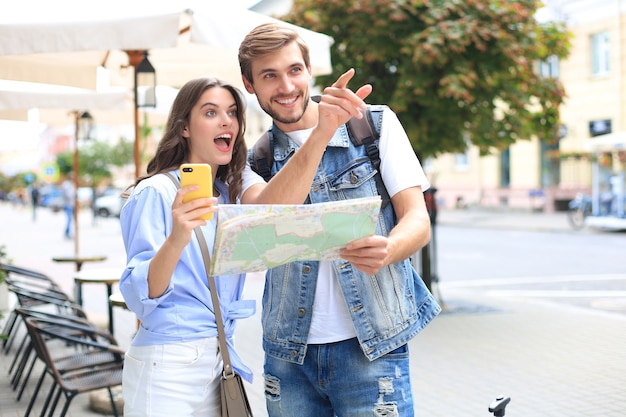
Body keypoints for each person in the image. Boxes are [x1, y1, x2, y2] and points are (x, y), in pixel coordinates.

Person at [238, 23, 441, 417]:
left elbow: (417, 219)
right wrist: (320, 133)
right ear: (249, 85)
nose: (286, 86)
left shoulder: (374, 124)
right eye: (269, 76)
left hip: (371, 349)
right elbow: (265, 225)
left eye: (294, 70)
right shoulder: (255, 161)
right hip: (288, 358)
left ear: (309, 69)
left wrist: (390, 248)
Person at [119, 77, 254, 417]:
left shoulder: (227, 196)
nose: (226, 121)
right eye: (211, 112)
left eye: (232, 113)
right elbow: (141, 295)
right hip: (167, 365)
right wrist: (178, 235)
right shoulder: (156, 193)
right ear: (184, 128)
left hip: (220, 359)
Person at [60, 173, 74, 239]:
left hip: (69, 204)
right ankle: (67, 233)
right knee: (69, 219)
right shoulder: (67, 185)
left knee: (70, 219)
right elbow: (69, 195)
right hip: (68, 204)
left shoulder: (69, 184)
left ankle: (68, 232)